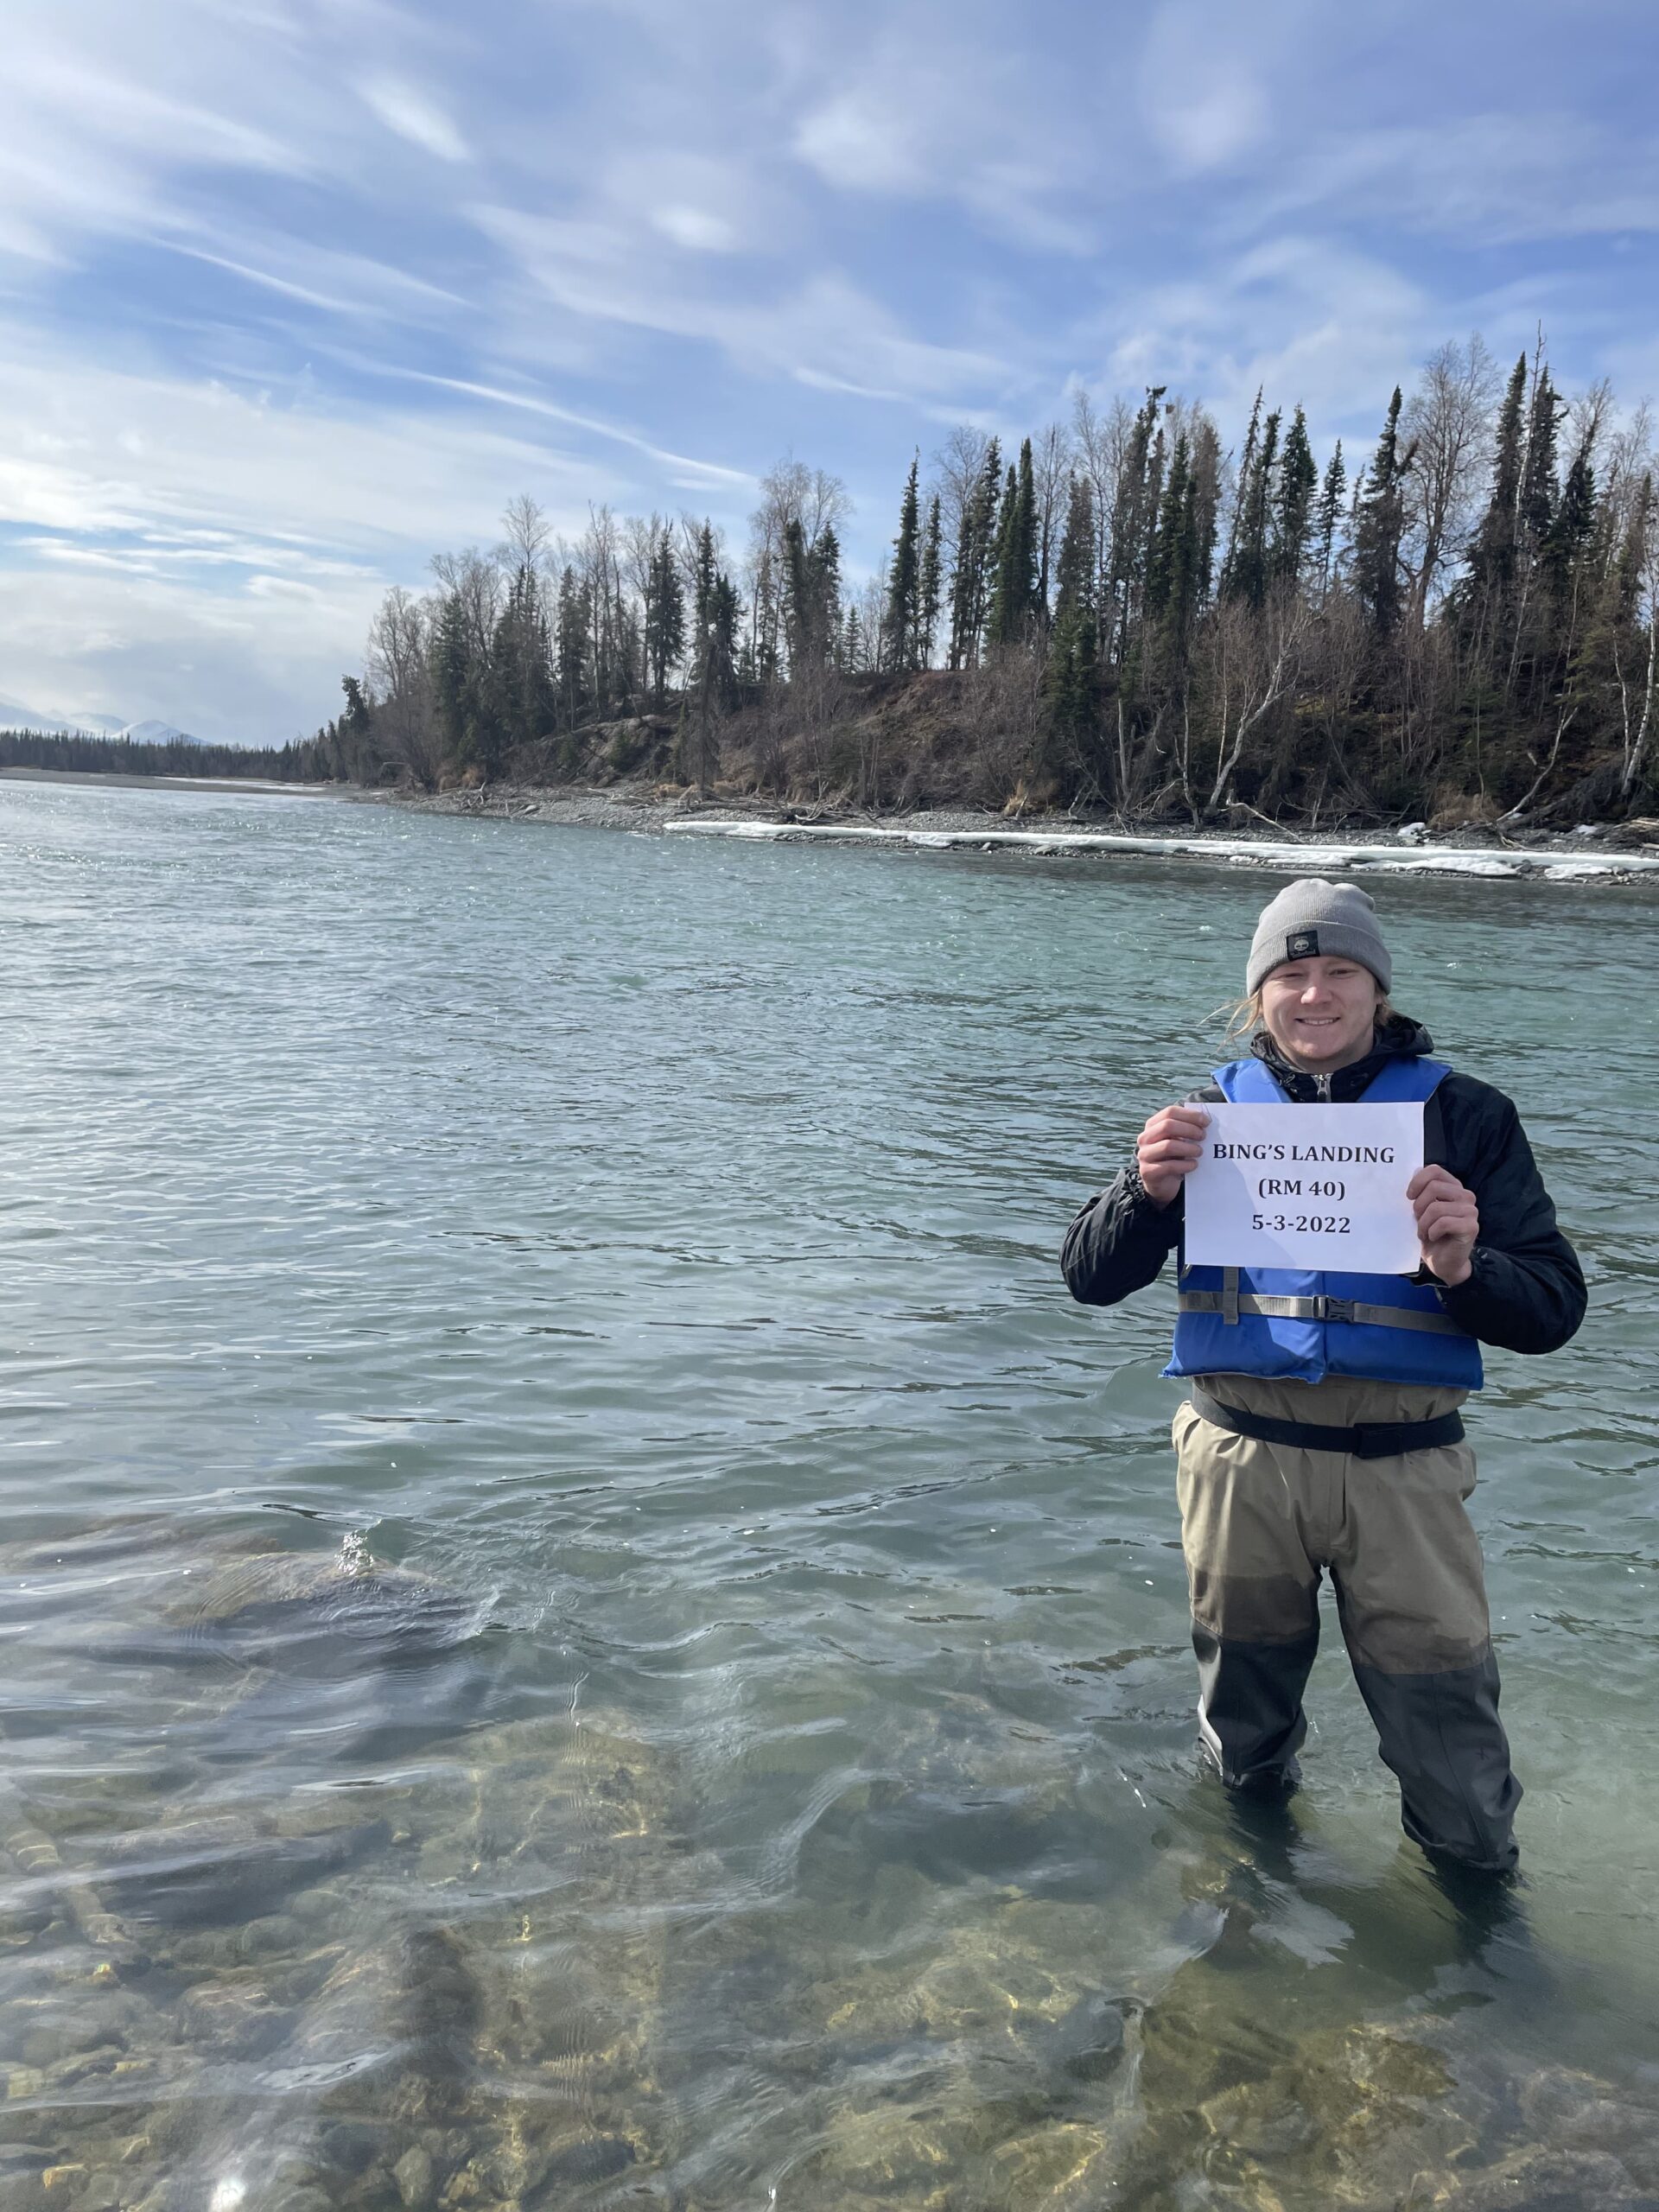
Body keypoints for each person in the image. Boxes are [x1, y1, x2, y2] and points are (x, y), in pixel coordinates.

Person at [1060, 879, 1585, 1876]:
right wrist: (1145, 1189)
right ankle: (1250, 1915)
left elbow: (1555, 1310)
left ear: (1377, 989)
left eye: (1339, 970)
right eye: (1290, 975)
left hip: (1404, 1468)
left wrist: (1468, 1267)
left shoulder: (1467, 1117)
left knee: (1453, 1747)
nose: (1315, 995)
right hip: (1240, 1459)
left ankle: (1485, 1960)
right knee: (1242, 1735)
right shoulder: (1209, 1116)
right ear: (1257, 995)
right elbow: (1089, 1275)